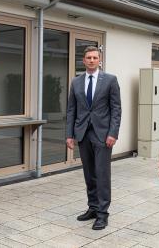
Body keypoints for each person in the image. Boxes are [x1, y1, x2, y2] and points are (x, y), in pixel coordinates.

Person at [66, 46, 121, 230]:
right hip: (83, 134)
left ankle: (103, 214)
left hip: (103, 134)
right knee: (89, 173)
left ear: (100, 60)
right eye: (88, 57)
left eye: (94, 57)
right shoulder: (76, 82)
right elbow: (71, 110)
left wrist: (113, 133)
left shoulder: (110, 80)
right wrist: (69, 134)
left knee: (102, 174)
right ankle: (93, 207)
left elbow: (116, 109)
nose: (91, 60)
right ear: (83, 60)